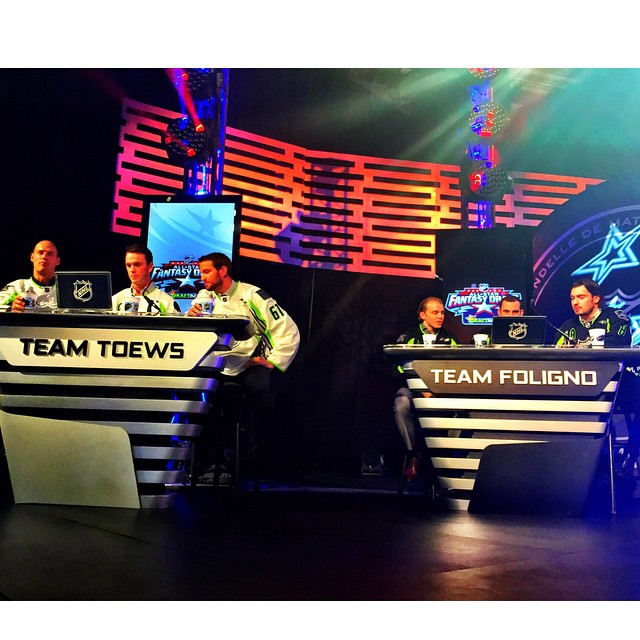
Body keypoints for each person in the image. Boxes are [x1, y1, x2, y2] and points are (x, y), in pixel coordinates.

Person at [187, 252, 300, 478]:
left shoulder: (252, 295)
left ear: (223, 271)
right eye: (201, 272)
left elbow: (288, 329)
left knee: (259, 389)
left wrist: (272, 361)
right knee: (200, 395)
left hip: (249, 363)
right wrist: (191, 318)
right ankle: (209, 459)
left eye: (206, 271)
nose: (202, 277)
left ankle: (261, 454)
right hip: (219, 364)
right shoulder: (203, 298)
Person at [555, 277, 639, 480]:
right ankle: (584, 463)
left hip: (617, 380)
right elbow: (556, 354)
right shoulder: (567, 326)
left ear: (596, 298)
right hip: (579, 385)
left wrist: (580, 348)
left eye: (581, 297)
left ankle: (629, 456)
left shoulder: (615, 317)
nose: (575, 302)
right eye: (572, 298)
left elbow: (618, 344)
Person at [393, 296, 459, 481]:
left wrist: (439, 389)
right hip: (411, 388)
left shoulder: (450, 338)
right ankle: (413, 456)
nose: (440, 316)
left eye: (442, 313)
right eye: (435, 312)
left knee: (462, 407)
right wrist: (420, 388)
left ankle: (449, 459)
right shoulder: (409, 336)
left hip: (441, 391)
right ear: (422, 315)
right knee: (401, 404)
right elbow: (397, 366)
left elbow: (458, 368)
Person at [112, 243, 180, 315]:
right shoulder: (116, 300)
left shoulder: (168, 303)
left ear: (150, 267)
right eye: (128, 265)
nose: (132, 270)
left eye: (137, 265)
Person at [0, 240, 60, 312]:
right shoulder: (17, 287)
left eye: (50, 254)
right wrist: (11, 310)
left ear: (57, 261)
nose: (44, 256)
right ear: (32, 257)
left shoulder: (66, 290)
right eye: (40, 253)